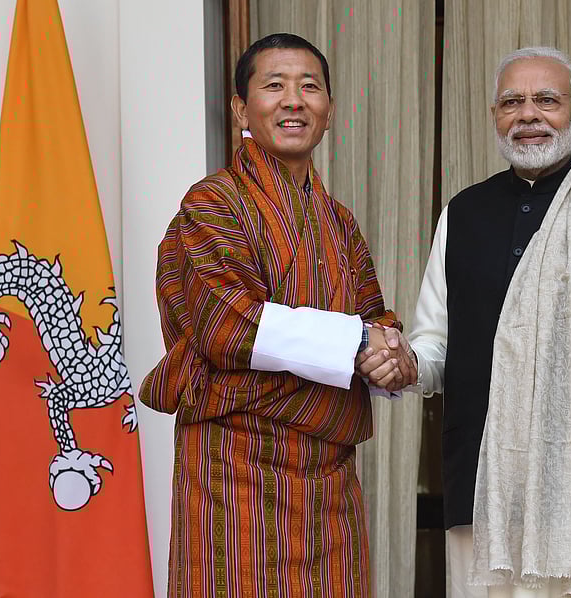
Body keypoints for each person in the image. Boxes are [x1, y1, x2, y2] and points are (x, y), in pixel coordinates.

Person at [359, 46, 571, 597]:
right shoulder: (463, 215)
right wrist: (405, 362)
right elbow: (435, 348)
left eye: (547, 100)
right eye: (512, 102)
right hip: (483, 500)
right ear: (494, 115)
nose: (529, 115)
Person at [139, 33, 414, 597]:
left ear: (329, 110)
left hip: (329, 491)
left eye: (310, 87)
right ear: (241, 108)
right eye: (275, 86)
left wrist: (392, 359)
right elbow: (228, 327)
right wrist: (361, 345)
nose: (294, 100)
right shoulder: (213, 201)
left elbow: (374, 320)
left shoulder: (339, 222)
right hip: (235, 481)